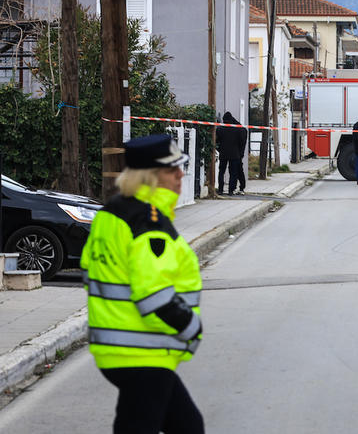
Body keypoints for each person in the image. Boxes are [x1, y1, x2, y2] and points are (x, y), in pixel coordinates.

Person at [80, 134, 204, 434]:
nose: (180, 174)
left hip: (117, 349)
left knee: (186, 425)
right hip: (142, 350)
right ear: (151, 176)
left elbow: (89, 272)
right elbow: (155, 297)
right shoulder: (148, 224)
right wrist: (192, 329)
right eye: (172, 170)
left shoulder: (111, 213)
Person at [217, 111, 245, 195]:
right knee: (233, 173)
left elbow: (217, 141)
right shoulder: (237, 129)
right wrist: (240, 152)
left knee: (221, 172)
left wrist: (219, 149)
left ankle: (220, 189)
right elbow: (241, 142)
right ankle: (230, 190)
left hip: (223, 153)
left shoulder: (220, 129)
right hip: (234, 154)